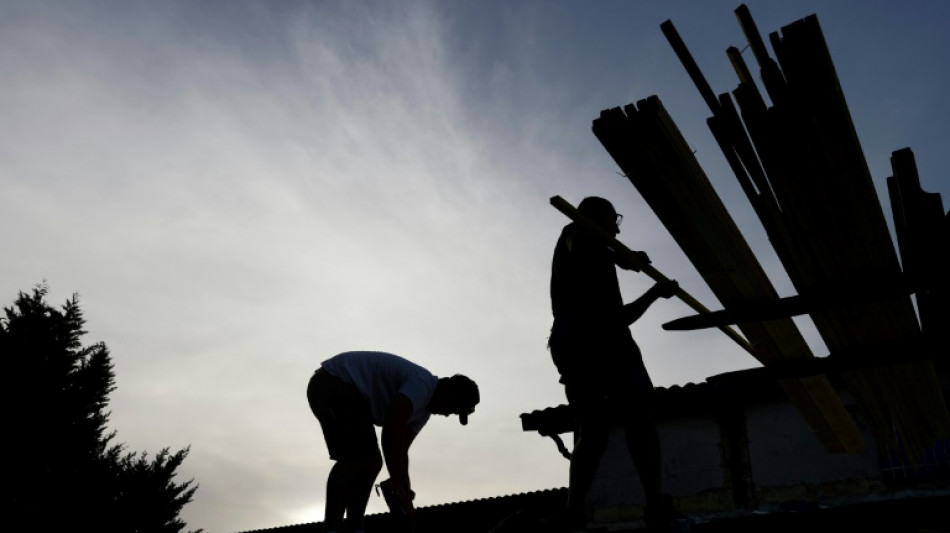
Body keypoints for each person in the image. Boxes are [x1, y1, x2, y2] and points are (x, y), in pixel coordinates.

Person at [548, 196, 679, 531]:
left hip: (581, 340)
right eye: (614, 219)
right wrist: (630, 263)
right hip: (595, 341)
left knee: (594, 429)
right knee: (636, 418)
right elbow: (584, 243)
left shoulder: (594, 261)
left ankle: (574, 511)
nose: (617, 228)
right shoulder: (575, 232)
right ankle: (652, 503)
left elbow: (618, 318)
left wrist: (635, 273)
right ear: (598, 217)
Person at [307, 350, 479, 533]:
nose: (447, 415)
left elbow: (401, 450)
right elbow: (391, 430)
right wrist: (397, 483)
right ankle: (332, 529)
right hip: (334, 382)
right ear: (449, 392)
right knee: (355, 458)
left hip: (344, 390)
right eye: (452, 409)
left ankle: (354, 528)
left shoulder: (422, 413)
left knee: (371, 462)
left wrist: (405, 488)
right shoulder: (421, 385)